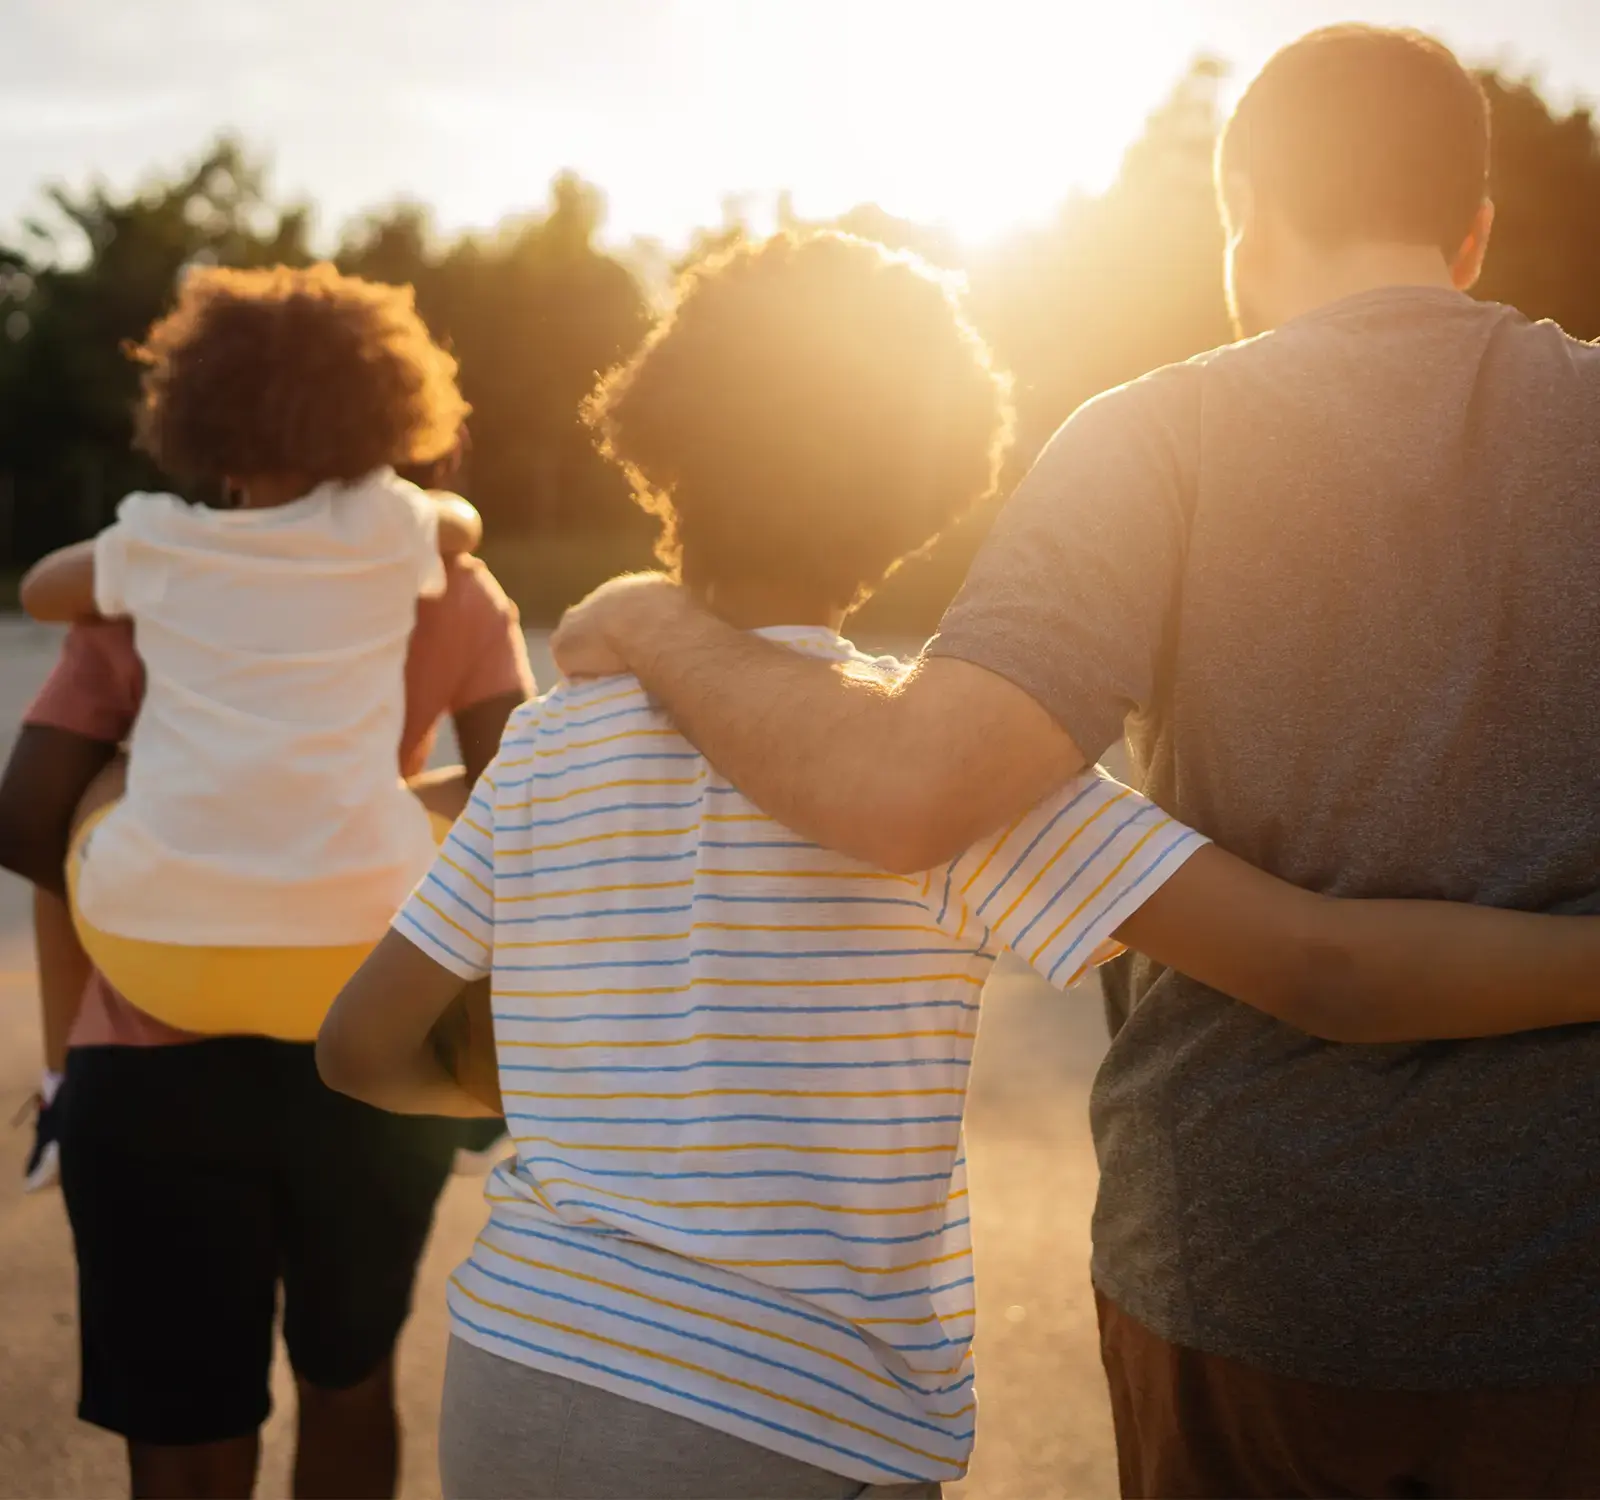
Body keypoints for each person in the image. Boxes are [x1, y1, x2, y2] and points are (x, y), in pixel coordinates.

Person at [320, 230, 1600, 1500]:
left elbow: (361, 1049)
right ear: (924, 502)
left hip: (518, 1369)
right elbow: (1329, 969)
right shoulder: (958, 782)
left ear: (662, 446)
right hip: (793, 1416)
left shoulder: (543, 749)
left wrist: (578, 1105)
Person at [0, 264, 533, 1500]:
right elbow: (526, 807)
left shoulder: (150, 580)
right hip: (370, 1044)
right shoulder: (444, 581)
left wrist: (137, 814)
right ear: (387, 413)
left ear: (201, 421)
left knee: (183, 1421)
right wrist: (379, 814)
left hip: (147, 1060)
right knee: (349, 1381)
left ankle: (52, 1087)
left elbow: (27, 819)